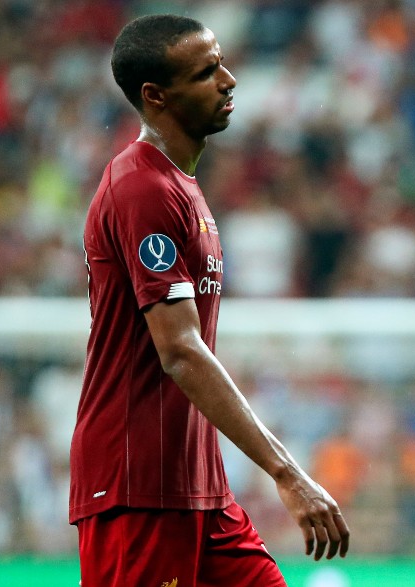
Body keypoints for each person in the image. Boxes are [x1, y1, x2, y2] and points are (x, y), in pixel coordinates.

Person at [69, 14, 349, 587]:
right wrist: (286, 472)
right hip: (139, 485)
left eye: (221, 64)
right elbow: (179, 350)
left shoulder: (180, 185)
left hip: (197, 485)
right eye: (205, 73)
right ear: (156, 96)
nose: (229, 80)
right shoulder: (141, 188)